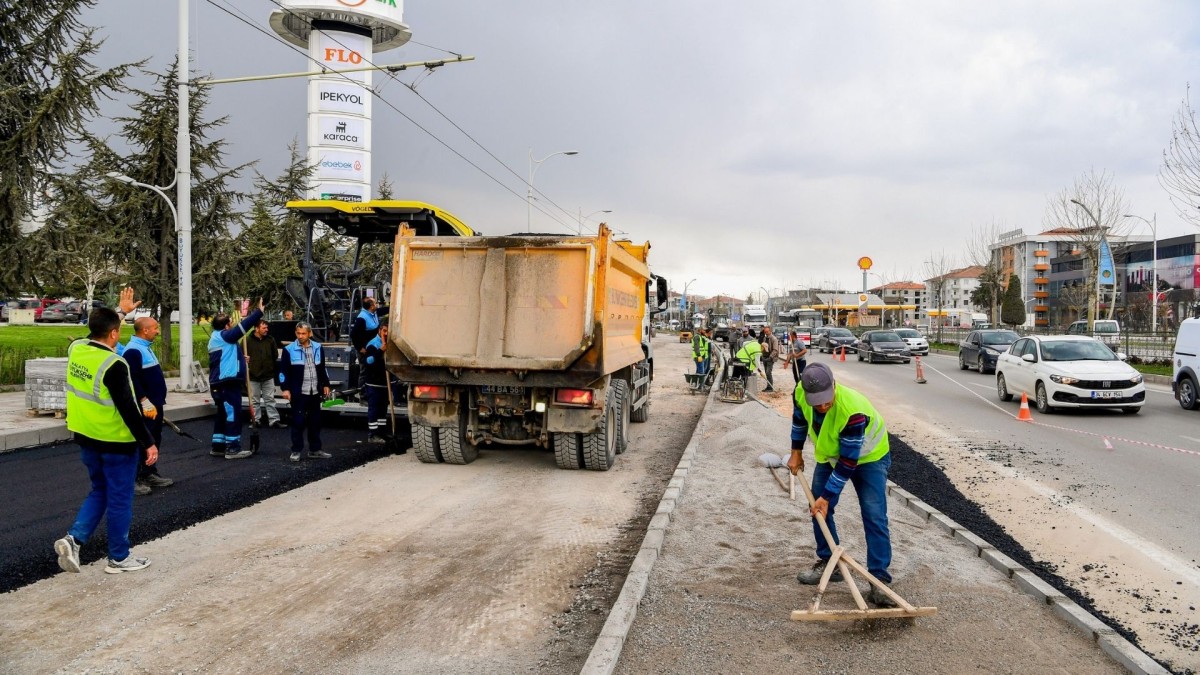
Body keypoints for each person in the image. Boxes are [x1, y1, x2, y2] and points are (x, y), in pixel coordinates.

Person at [55, 302, 158, 575]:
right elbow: (128, 409)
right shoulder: (114, 364)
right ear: (113, 334)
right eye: (118, 329)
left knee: (100, 490)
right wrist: (148, 441)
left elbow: (94, 331)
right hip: (116, 443)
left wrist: (120, 312)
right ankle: (119, 558)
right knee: (120, 499)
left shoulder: (76, 349)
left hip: (86, 437)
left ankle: (73, 540)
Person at [788, 363, 896, 608]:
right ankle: (830, 562)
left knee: (874, 515)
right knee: (818, 510)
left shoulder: (852, 410)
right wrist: (796, 452)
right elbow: (799, 420)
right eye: (818, 403)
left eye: (827, 400)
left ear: (833, 385)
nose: (824, 406)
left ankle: (879, 579)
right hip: (832, 455)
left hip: (870, 458)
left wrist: (827, 496)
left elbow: (848, 463)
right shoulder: (799, 393)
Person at [122, 316, 174, 495]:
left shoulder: (144, 348)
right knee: (143, 440)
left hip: (155, 404)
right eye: (155, 328)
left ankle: (149, 472)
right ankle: (135, 478)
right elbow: (133, 379)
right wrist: (144, 401)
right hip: (147, 406)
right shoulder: (133, 351)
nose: (157, 331)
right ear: (144, 330)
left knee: (154, 438)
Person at [207, 300, 264, 459]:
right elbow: (242, 328)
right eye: (230, 323)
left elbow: (225, 357)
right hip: (227, 382)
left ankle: (218, 446)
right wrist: (258, 312)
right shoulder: (225, 336)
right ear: (226, 326)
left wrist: (240, 358)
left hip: (220, 383)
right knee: (233, 413)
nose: (232, 325)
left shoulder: (218, 338)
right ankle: (233, 448)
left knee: (223, 414)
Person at [278, 321, 332, 462]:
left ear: (309, 334)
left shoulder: (318, 348)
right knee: (298, 422)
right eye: (298, 333)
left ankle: (315, 449)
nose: (300, 336)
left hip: (314, 391)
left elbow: (322, 368)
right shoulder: (289, 350)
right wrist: (285, 389)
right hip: (298, 392)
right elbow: (283, 371)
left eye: (303, 333)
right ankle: (296, 450)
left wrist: (326, 384)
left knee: (315, 422)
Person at [362, 324, 400, 445]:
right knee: (374, 408)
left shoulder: (391, 344)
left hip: (385, 383)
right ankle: (373, 434)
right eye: (384, 331)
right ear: (379, 330)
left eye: (388, 332)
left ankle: (381, 432)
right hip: (373, 384)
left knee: (383, 409)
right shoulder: (372, 344)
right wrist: (380, 351)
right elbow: (368, 361)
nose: (386, 334)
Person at [246, 319, 285, 429]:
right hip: (253, 375)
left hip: (268, 375)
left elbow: (275, 355)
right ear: (256, 328)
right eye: (264, 328)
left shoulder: (270, 340)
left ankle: (274, 420)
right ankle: (255, 420)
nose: (266, 330)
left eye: (267, 328)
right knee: (254, 400)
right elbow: (241, 355)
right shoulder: (248, 341)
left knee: (270, 399)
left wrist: (269, 367)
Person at [758, 325, 781, 392]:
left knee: (768, 372)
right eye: (765, 331)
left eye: (767, 331)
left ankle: (770, 387)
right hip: (765, 357)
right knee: (766, 372)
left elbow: (775, 350)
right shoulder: (765, 338)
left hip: (770, 358)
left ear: (770, 331)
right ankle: (768, 386)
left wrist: (770, 357)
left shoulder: (774, 339)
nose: (766, 333)